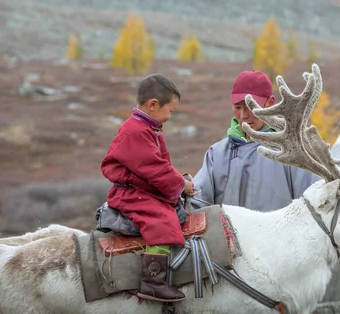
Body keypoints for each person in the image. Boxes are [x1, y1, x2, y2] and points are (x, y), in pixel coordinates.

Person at [100, 73, 195, 303]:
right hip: (130, 194)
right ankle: (153, 281)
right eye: (170, 110)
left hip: (138, 189)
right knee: (161, 219)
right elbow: (154, 168)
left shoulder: (145, 127)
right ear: (153, 105)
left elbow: (157, 168)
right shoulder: (136, 131)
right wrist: (181, 185)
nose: (170, 116)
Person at [193, 70, 320, 211]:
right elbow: (196, 203)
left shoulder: (293, 151)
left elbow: (315, 202)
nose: (243, 115)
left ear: (270, 103)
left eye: (250, 107)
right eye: (237, 107)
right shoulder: (216, 154)